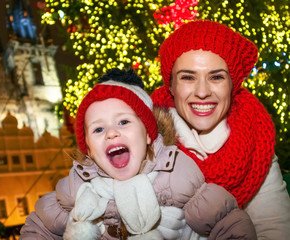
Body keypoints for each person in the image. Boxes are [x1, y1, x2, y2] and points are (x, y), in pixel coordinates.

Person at [20, 68, 256, 240]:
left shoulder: (175, 173)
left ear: (147, 135)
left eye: (123, 122)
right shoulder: (77, 186)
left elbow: (228, 222)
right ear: (89, 150)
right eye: (98, 129)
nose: (111, 133)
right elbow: (39, 227)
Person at [151, 19, 290, 239]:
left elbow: (275, 229)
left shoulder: (256, 147)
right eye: (188, 77)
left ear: (233, 84)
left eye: (216, 77)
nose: (203, 92)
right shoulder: (142, 140)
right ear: (170, 86)